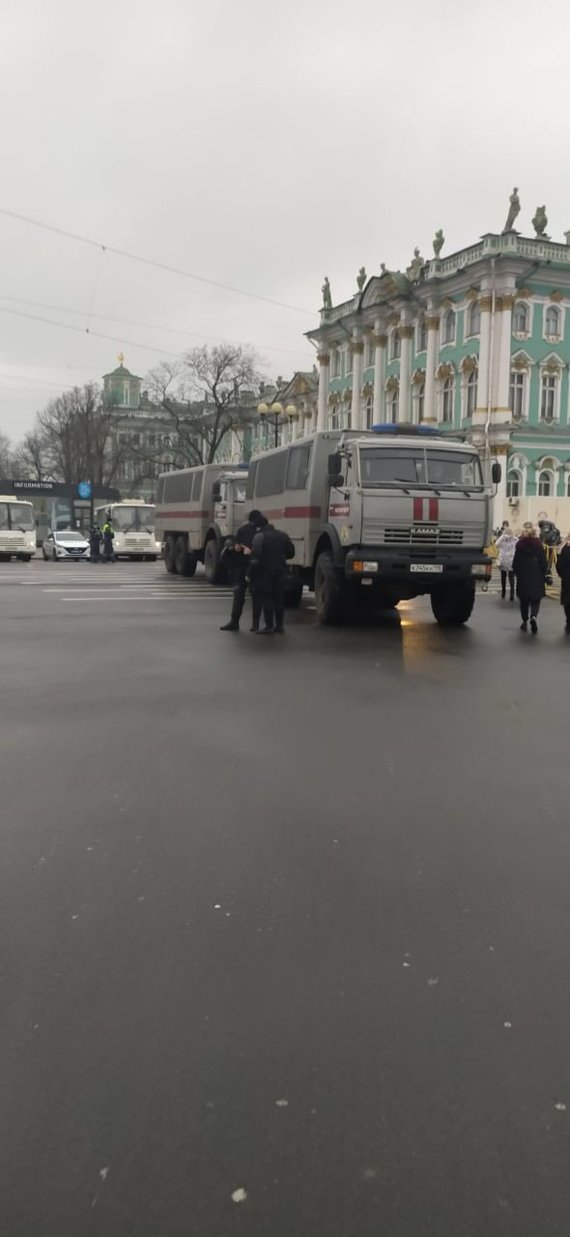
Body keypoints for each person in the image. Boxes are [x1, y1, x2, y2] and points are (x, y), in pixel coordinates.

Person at [219, 510, 267, 632]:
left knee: (239, 594)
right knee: (256, 595)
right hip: (256, 567)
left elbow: (236, 542)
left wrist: (237, 547)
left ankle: (234, 621)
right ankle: (255, 624)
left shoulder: (243, 529)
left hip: (242, 566)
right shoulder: (263, 531)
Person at [249, 522, 295, 635]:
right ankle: (279, 626)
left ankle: (269, 626)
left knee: (267, 597)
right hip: (280, 569)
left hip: (265, 570)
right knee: (279, 598)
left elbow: (256, 553)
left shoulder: (260, 536)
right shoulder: (283, 535)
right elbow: (291, 552)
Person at [512, 522, 548, 634]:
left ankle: (524, 619)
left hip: (523, 576)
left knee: (524, 600)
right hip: (536, 576)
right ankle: (533, 616)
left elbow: (515, 564)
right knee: (535, 600)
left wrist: (517, 573)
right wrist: (544, 572)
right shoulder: (539, 546)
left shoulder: (519, 547)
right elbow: (544, 563)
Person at [495, 522, 517, 601]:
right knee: (511, 578)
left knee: (503, 577)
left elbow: (496, 544)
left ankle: (503, 592)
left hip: (503, 560)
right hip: (511, 560)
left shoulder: (502, 540)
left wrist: (502, 537)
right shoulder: (515, 539)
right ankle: (512, 594)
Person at [556, 533, 570, 633]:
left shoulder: (565, 550)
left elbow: (559, 565)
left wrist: (561, 574)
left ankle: (569, 621)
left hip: (567, 578)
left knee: (567, 601)